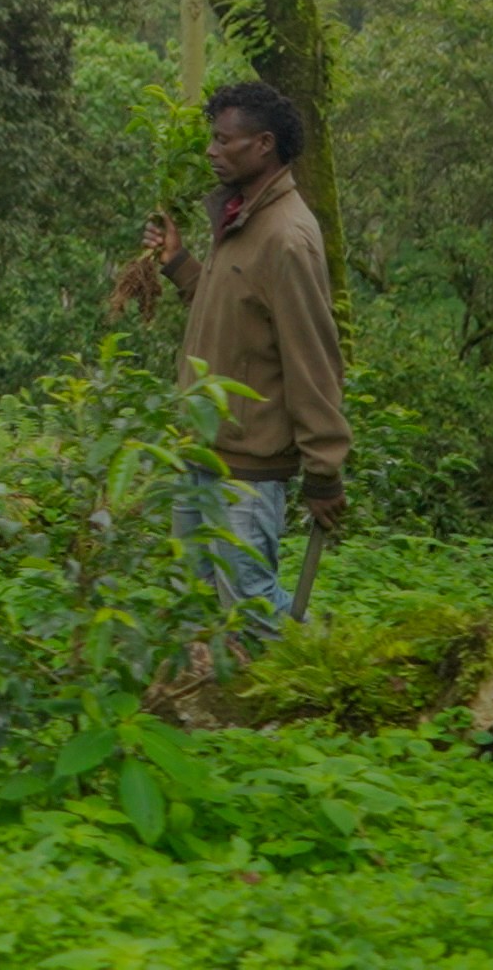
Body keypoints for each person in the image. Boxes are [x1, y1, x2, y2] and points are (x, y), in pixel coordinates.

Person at [134, 79, 349, 632]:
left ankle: (330, 667)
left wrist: (324, 471)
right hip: (202, 451)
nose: (211, 151)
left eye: (223, 140)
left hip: (248, 465)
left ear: (264, 145)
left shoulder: (288, 237)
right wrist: (179, 265)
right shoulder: (240, 216)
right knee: (193, 602)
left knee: (250, 608)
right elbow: (233, 313)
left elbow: (314, 358)